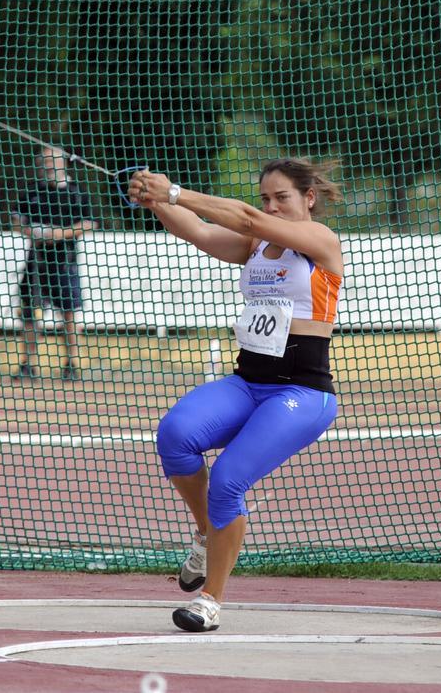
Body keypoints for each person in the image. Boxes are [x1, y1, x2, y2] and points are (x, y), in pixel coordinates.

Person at [129, 158, 344, 632]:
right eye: (266, 197)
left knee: (228, 478)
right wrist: (157, 201)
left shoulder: (321, 241)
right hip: (247, 382)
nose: (271, 206)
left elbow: (244, 217)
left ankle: (210, 601)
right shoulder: (256, 244)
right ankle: (209, 534)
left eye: (281, 197)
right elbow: (201, 234)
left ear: (308, 198)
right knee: (176, 435)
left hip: (302, 392)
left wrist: (175, 191)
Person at [11, 145, 96, 380]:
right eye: (44, 160)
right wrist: (31, 231)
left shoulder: (76, 192)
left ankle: (72, 364)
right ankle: (28, 364)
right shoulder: (32, 191)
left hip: (64, 261)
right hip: (36, 262)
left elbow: (90, 223)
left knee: (69, 314)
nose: (48, 164)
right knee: (30, 314)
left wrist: (59, 234)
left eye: (52, 160)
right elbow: (15, 220)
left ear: (63, 162)